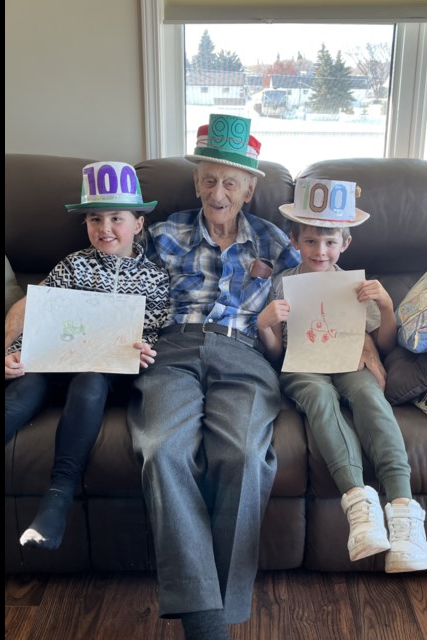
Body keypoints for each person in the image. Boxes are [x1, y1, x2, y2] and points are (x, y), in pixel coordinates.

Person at [127, 114, 300, 640]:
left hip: (244, 349)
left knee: (246, 455)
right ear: (196, 182)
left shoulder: (276, 243)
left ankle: (213, 617)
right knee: (161, 447)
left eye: (230, 182)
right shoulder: (162, 233)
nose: (217, 192)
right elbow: (126, 290)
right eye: (208, 179)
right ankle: (208, 624)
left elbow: (313, 300)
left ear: (249, 189)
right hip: (173, 345)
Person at [255, 180, 427, 573]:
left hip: (350, 361)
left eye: (330, 243)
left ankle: (403, 512)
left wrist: (386, 306)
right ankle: (358, 503)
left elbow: (383, 345)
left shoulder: (355, 285)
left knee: (370, 398)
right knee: (320, 400)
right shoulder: (282, 283)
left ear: (345, 244)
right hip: (302, 367)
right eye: (311, 242)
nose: (321, 252)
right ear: (295, 241)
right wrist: (266, 327)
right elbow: (277, 354)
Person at [4, 161, 169, 550]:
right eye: (95, 219)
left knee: (90, 383)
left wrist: (144, 350)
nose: (105, 228)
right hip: (53, 362)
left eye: (117, 218)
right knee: (23, 391)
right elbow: (37, 315)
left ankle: (58, 497)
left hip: (104, 372)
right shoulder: (72, 264)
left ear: (139, 224)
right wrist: (12, 354)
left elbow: (152, 331)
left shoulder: (156, 277)